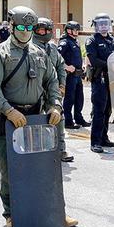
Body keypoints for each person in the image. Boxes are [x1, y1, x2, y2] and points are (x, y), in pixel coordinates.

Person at [0, 6, 77, 227]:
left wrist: (55, 105)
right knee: (10, 171)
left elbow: (52, 81)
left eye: (30, 28)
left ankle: (54, 211)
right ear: (11, 27)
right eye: (21, 27)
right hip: (9, 120)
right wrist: (8, 110)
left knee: (44, 168)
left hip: (36, 119)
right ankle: (11, 214)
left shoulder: (40, 53)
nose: (26, 32)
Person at [33, 17, 73, 162]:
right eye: (40, 29)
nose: (43, 32)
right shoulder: (29, 47)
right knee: (36, 121)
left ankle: (60, 149)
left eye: (46, 29)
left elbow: (61, 67)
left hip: (52, 91)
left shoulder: (53, 48)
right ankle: (37, 150)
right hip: (35, 90)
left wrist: (62, 85)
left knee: (58, 118)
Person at [85, 12, 114, 153]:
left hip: (112, 81)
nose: (104, 26)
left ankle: (104, 138)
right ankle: (95, 142)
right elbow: (94, 60)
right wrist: (111, 65)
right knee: (99, 111)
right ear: (95, 25)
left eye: (106, 23)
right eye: (100, 24)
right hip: (100, 79)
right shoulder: (92, 41)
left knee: (107, 111)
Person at [59, 20, 87, 129]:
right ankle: (68, 121)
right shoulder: (65, 42)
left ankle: (79, 119)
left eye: (77, 30)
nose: (77, 32)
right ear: (69, 30)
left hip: (78, 75)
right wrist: (66, 66)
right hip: (70, 75)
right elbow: (56, 56)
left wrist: (83, 65)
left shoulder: (75, 41)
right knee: (69, 99)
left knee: (79, 98)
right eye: (75, 30)